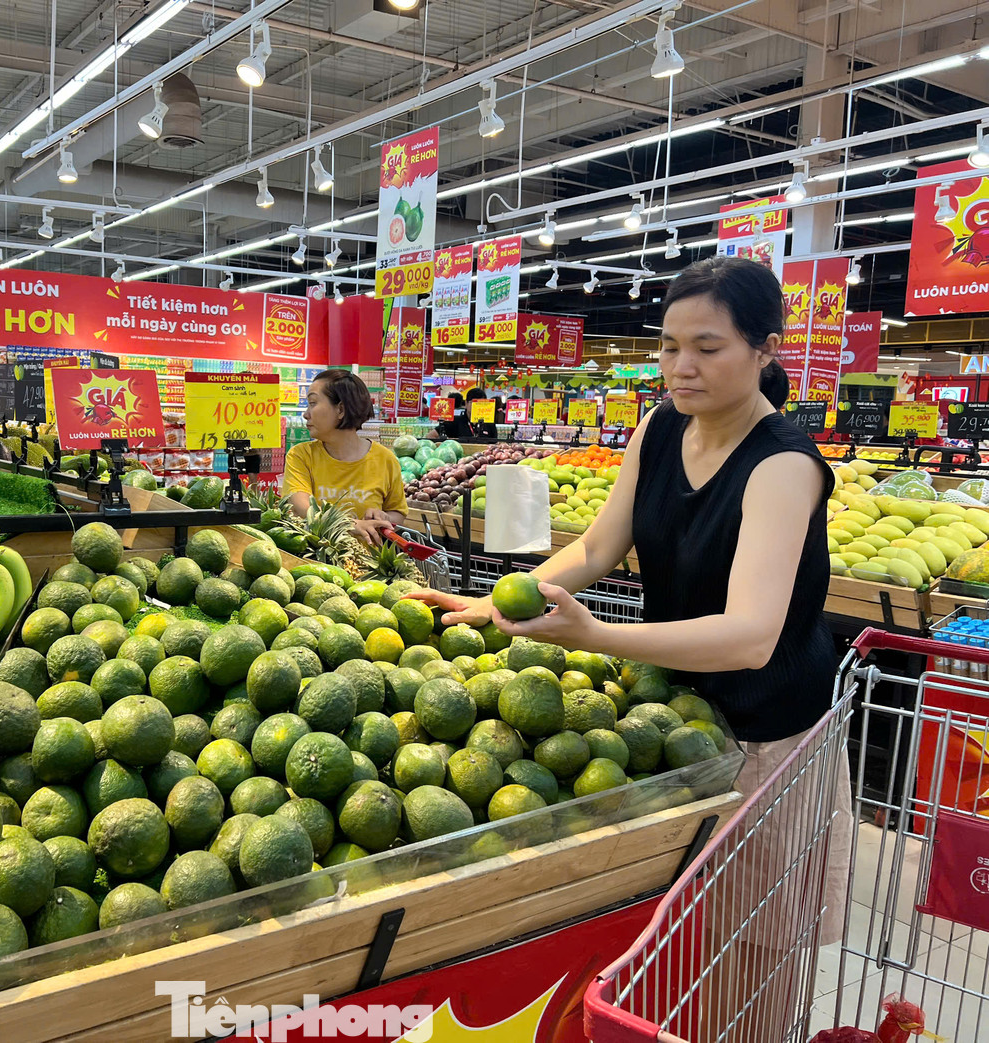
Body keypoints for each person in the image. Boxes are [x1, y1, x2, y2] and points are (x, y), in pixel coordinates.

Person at [409, 256, 851, 944]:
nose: (681, 367)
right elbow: (596, 547)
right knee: (677, 940)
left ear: (767, 350)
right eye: (670, 347)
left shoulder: (784, 465)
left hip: (766, 731)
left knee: (753, 944)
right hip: (671, 712)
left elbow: (749, 635)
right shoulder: (662, 427)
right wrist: (503, 606)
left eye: (708, 348)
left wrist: (595, 636)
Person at [284, 368, 407, 545]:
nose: (306, 414)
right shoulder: (301, 456)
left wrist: (383, 517)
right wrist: (351, 525)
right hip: (316, 567)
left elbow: (398, 513)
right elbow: (304, 509)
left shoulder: (385, 459)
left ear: (340, 409)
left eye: (312, 403)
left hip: (369, 567)